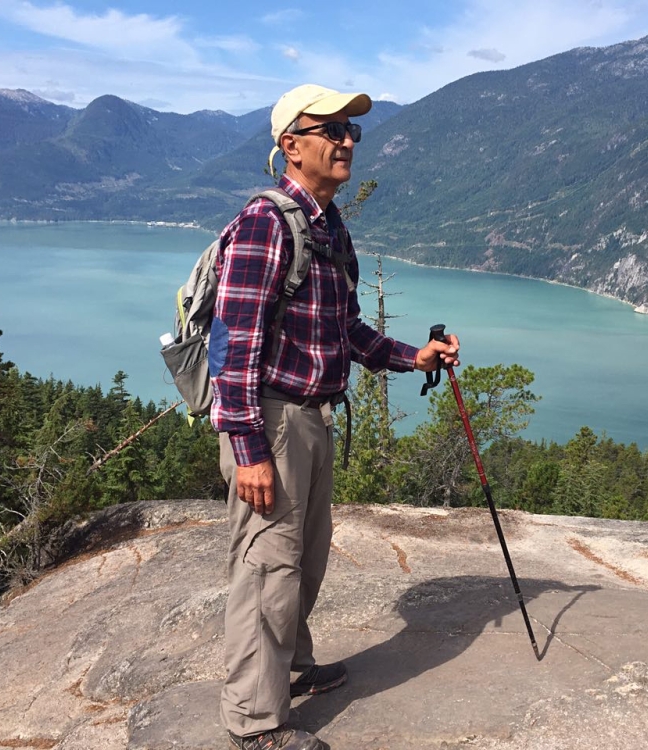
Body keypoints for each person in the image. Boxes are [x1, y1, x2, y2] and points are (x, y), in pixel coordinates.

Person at [211, 83, 461, 750]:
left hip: (312, 418)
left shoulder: (326, 227)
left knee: (304, 561)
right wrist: (249, 448)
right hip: (273, 420)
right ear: (290, 144)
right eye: (331, 130)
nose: (347, 141)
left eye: (351, 133)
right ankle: (255, 724)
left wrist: (418, 358)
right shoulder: (265, 224)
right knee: (268, 567)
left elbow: (345, 330)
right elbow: (233, 344)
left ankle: (291, 667)